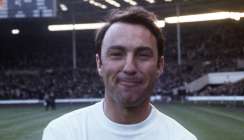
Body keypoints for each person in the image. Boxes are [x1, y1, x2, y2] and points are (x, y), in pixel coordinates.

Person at [42, 6, 197, 140]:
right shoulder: (62, 133)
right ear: (99, 64)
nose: (129, 67)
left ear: (159, 66)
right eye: (116, 54)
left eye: (143, 55)